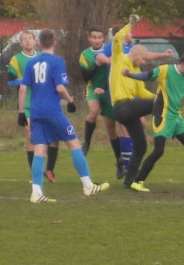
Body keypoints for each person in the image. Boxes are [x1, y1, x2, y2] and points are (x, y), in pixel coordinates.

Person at [17, 28, 108, 203]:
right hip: (52, 111)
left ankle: (36, 192)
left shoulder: (31, 63)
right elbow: (60, 88)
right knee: (73, 143)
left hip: (35, 112)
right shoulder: (57, 62)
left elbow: (22, 88)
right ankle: (88, 185)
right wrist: (71, 101)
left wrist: (21, 112)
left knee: (39, 150)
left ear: (38, 43)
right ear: (55, 43)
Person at [122, 50, 184, 192]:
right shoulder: (166, 70)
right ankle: (137, 182)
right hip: (162, 115)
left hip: (177, 117)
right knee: (158, 151)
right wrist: (130, 74)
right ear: (182, 64)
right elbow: (147, 75)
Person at [108, 14, 174, 187]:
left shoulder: (135, 70)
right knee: (161, 104)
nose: (144, 62)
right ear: (135, 54)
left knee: (141, 145)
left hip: (128, 112)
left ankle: (129, 181)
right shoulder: (119, 58)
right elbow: (116, 39)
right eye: (143, 59)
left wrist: (158, 98)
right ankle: (172, 130)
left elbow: (142, 92)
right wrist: (130, 25)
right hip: (122, 107)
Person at [79, 26, 134, 178]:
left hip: (111, 91)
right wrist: (97, 64)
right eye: (93, 37)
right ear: (89, 38)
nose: (97, 40)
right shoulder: (85, 54)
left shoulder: (111, 48)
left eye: (99, 37)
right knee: (94, 111)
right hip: (94, 89)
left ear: (104, 38)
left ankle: (119, 162)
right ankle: (87, 144)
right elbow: (85, 77)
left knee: (111, 129)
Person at [8, 29, 59, 183]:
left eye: (30, 38)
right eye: (24, 39)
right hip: (28, 104)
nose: (27, 41)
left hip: (46, 103)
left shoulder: (42, 57)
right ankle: (34, 174)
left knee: (53, 138)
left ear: (36, 41)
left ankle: (49, 170)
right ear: (20, 43)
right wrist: (27, 79)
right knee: (31, 137)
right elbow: (11, 82)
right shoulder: (16, 60)